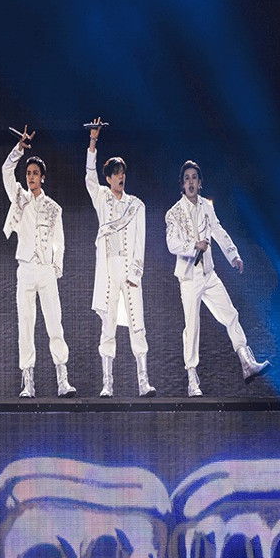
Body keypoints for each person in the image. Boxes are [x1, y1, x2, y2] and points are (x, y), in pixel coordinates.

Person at [164, 159, 269, 396]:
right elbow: (171, 244)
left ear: (200, 183)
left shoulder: (206, 207)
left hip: (208, 273)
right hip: (189, 277)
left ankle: (246, 361)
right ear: (182, 184)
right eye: (187, 178)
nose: (191, 182)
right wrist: (194, 245)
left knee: (230, 314)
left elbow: (218, 231)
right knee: (192, 326)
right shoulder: (174, 213)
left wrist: (233, 255)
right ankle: (192, 378)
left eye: (194, 178)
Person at [1, 127, 74, 398]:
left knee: (55, 323)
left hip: (45, 270)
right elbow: (6, 171)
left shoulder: (54, 208)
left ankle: (62, 379)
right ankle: (28, 382)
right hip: (25, 268)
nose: (31, 177)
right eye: (28, 173)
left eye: (35, 173)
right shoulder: (19, 198)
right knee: (26, 323)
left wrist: (55, 269)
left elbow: (60, 241)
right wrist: (19, 149)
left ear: (42, 177)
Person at [85, 118, 154, 397]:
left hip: (129, 269)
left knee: (137, 323)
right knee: (108, 325)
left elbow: (140, 241)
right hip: (108, 270)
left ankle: (143, 381)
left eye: (122, 172)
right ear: (109, 178)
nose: (120, 177)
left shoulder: (136, 205)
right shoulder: (101, 197)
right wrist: (93, 141)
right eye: (115, 173)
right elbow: (89, 176)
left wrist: (136, 272)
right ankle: (108, 383)